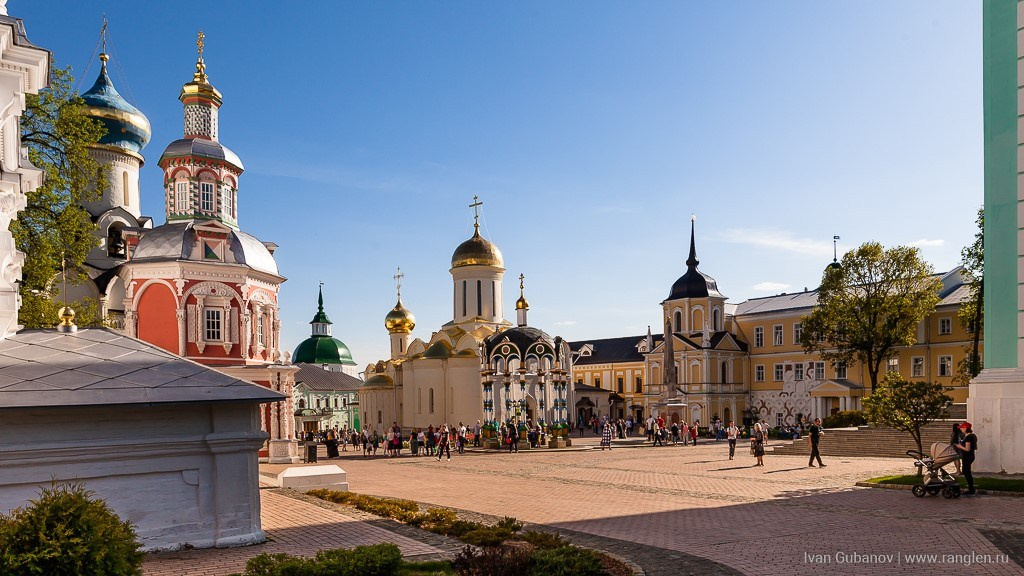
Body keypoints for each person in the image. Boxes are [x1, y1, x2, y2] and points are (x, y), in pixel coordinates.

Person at [955, 422, 977, 495]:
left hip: (967, 456)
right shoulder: (973, 436)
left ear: (965, 428)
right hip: (970, 456)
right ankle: (971, 488)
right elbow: (975, 447)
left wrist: (960, 446)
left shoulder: (968, 437)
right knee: (966, 472)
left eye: (962, 428)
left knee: (966, 472)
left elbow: (967, 449)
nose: (961, 429)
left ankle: (971, 489)